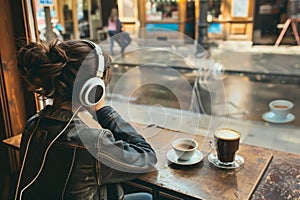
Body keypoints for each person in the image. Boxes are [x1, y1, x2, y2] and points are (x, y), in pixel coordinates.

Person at [15, 39, 157, 200]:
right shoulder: (92, 143)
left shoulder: (32, 124)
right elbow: (147, 157)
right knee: (146, 197)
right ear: (92, 90)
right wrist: (103, 111)